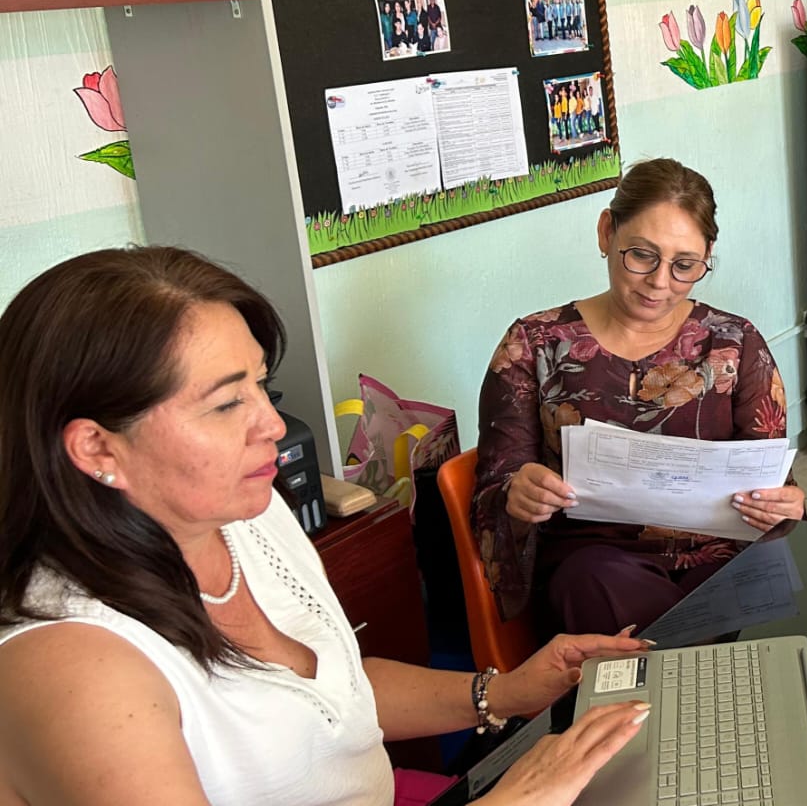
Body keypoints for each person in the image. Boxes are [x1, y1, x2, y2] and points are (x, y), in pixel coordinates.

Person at [0, 247, 652, 806]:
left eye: (263, 388)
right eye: (227, 404)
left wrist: (507, 691)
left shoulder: (245, 515)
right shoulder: (73, 666)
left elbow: (329, 695)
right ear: (95, 448)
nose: (274, 428)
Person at [474, 158, 806, 638]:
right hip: (597, 567)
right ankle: (700, 677)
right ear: (607, 232)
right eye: (642, 255)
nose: (659, 282)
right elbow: (495, 487)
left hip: (716, 559)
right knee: (599, 586)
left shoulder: (735, 344)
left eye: (685, 265)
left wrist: (784, 504)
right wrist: (517, 493)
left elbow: (775, 486)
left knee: (768, 582)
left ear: (707, 255)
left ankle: (675, 681)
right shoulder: (535, 345)